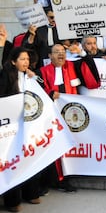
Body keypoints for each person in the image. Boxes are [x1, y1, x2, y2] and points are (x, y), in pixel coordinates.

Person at [38, 43, 100, 192]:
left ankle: (66, 178)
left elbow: (93, 81)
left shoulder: (74, 67)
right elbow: (38, 92)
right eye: (57, 52)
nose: (61, 54)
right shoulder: (41, 72)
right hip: (51, 117)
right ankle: (56, 180)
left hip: (72, 116)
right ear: (50, 56)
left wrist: (83, 53)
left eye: (63, 52)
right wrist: (50, 93)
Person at [0, 47, 41, 212]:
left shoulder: (30, 76)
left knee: (28, 157)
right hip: (9, 126)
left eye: (27, 59)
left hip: (27, 126)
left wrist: (34, 77)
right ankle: (12, 201)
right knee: (12, 161)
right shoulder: (4, 76)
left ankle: (30, 193)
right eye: (22, 59)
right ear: (13, 61)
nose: (26, 62)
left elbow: (41, 93)